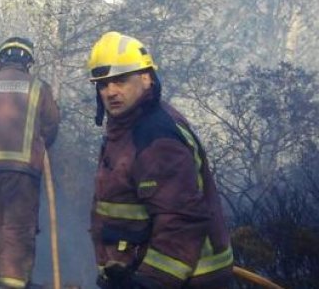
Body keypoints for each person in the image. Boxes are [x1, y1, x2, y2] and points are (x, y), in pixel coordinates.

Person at [86, 31, 234, 288]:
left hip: (182, 280)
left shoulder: (156, 136)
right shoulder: (126, 129)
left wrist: (149, 282)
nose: (110, 91)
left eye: (120, 80)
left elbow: (180, 220)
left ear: (146, 78)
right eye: (102, 84)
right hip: (136, 274)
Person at [0, 36, 61, 289]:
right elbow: (50, 126)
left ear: (1, 58)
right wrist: (41, 145)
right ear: (28, 61)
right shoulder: (38, 87)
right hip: (22, 167)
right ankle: (12, 283)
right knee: (18, 229)